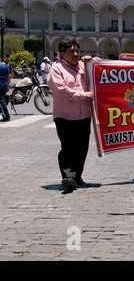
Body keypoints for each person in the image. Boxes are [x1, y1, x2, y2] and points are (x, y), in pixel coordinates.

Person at [47, 39, 95, 190]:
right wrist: (83, 95)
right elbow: (61, 90)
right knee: (68, 147)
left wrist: (92, 60)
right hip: (65, 116)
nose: (75, 54)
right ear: (62, 54)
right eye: (71, 52)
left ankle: (77, 175)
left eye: (77, 51)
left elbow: (102, 67)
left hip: (84, 115)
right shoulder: (56, 69)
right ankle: (68, 176)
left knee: (82, 147)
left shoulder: (84, 66)